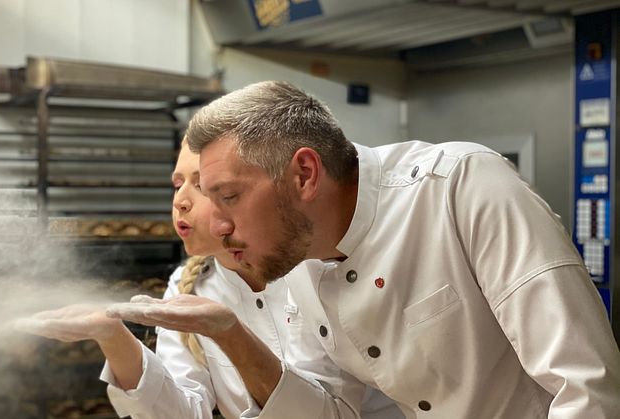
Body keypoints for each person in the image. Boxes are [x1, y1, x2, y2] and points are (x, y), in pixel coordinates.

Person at [107, 81, 620, 418]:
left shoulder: (461, 187)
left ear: (304, 174)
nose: (216, 226)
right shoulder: (303, 257)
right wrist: (233, 335)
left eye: (230, 197)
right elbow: (333, 411)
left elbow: (587, 388)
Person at [16, 139, 403, 419]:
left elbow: (327, 414)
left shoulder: (311, 265)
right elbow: (182, 413)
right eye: (176, 183)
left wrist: (228, 332)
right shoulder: (189, 284)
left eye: (200, 185)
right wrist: (112, 336)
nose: (180, 201)